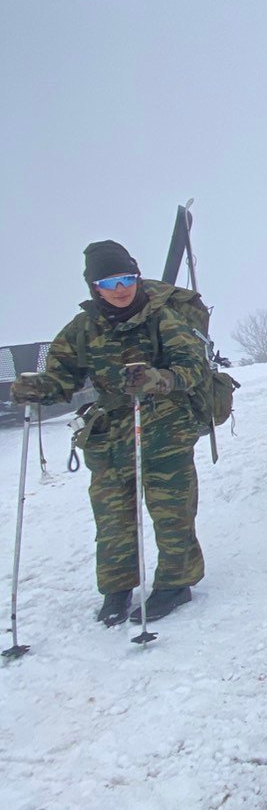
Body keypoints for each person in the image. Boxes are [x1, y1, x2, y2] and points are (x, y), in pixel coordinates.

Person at [10, 241, 209, 624]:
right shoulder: (83, 328)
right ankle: (117, 588)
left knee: (171, 511)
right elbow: (63, 377)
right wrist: (39, 387)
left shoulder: (162, 318)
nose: (121, 288)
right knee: (112, 516)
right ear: (94, 287)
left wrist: (157, 378)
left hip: (164, 427)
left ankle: (176, 583)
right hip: (111, 434)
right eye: (109, 281)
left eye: (126, 278)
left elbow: (192, 367)